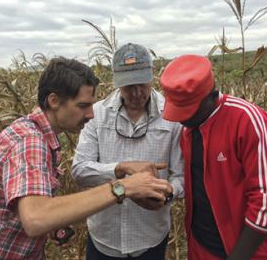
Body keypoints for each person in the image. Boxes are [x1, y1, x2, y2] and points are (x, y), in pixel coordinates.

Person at [0, 57, 172, 259]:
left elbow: (27, 210)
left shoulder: (37, 135)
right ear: (54, 101)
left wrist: (55, 222)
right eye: (83, 106)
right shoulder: (28, 142)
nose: (91, 114)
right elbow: (35, 219)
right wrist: (124, 187)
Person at [160, 54, 267, 260]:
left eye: (187, 111)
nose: (181, 120)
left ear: (210, 96)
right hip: (202, 245)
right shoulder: (189, 129)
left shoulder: (246, 120)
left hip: (246, 251)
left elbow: (265, 199)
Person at [72, 43, 184, 260]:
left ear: (152, 74)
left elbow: (182, 177)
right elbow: (79, 170)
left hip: (150, 238)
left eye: (142, 84)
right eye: (128, 86)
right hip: (104, 238)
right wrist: (120, 168)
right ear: (115, 80)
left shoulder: (172, 116)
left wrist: (166, 192)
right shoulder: (97, 114)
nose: (136, 93)